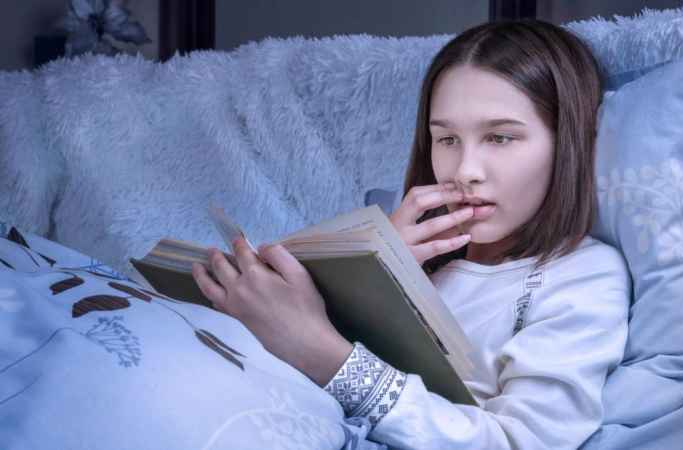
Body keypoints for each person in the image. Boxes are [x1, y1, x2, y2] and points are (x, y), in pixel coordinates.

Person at [191, 19, 631, 450]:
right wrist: (374, 267)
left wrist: (322, 353)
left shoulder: (583, 275)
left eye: (499, 138)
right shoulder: (405, 247)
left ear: (568, 143)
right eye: (447, 140)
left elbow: (522, 442)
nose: (465, 172)